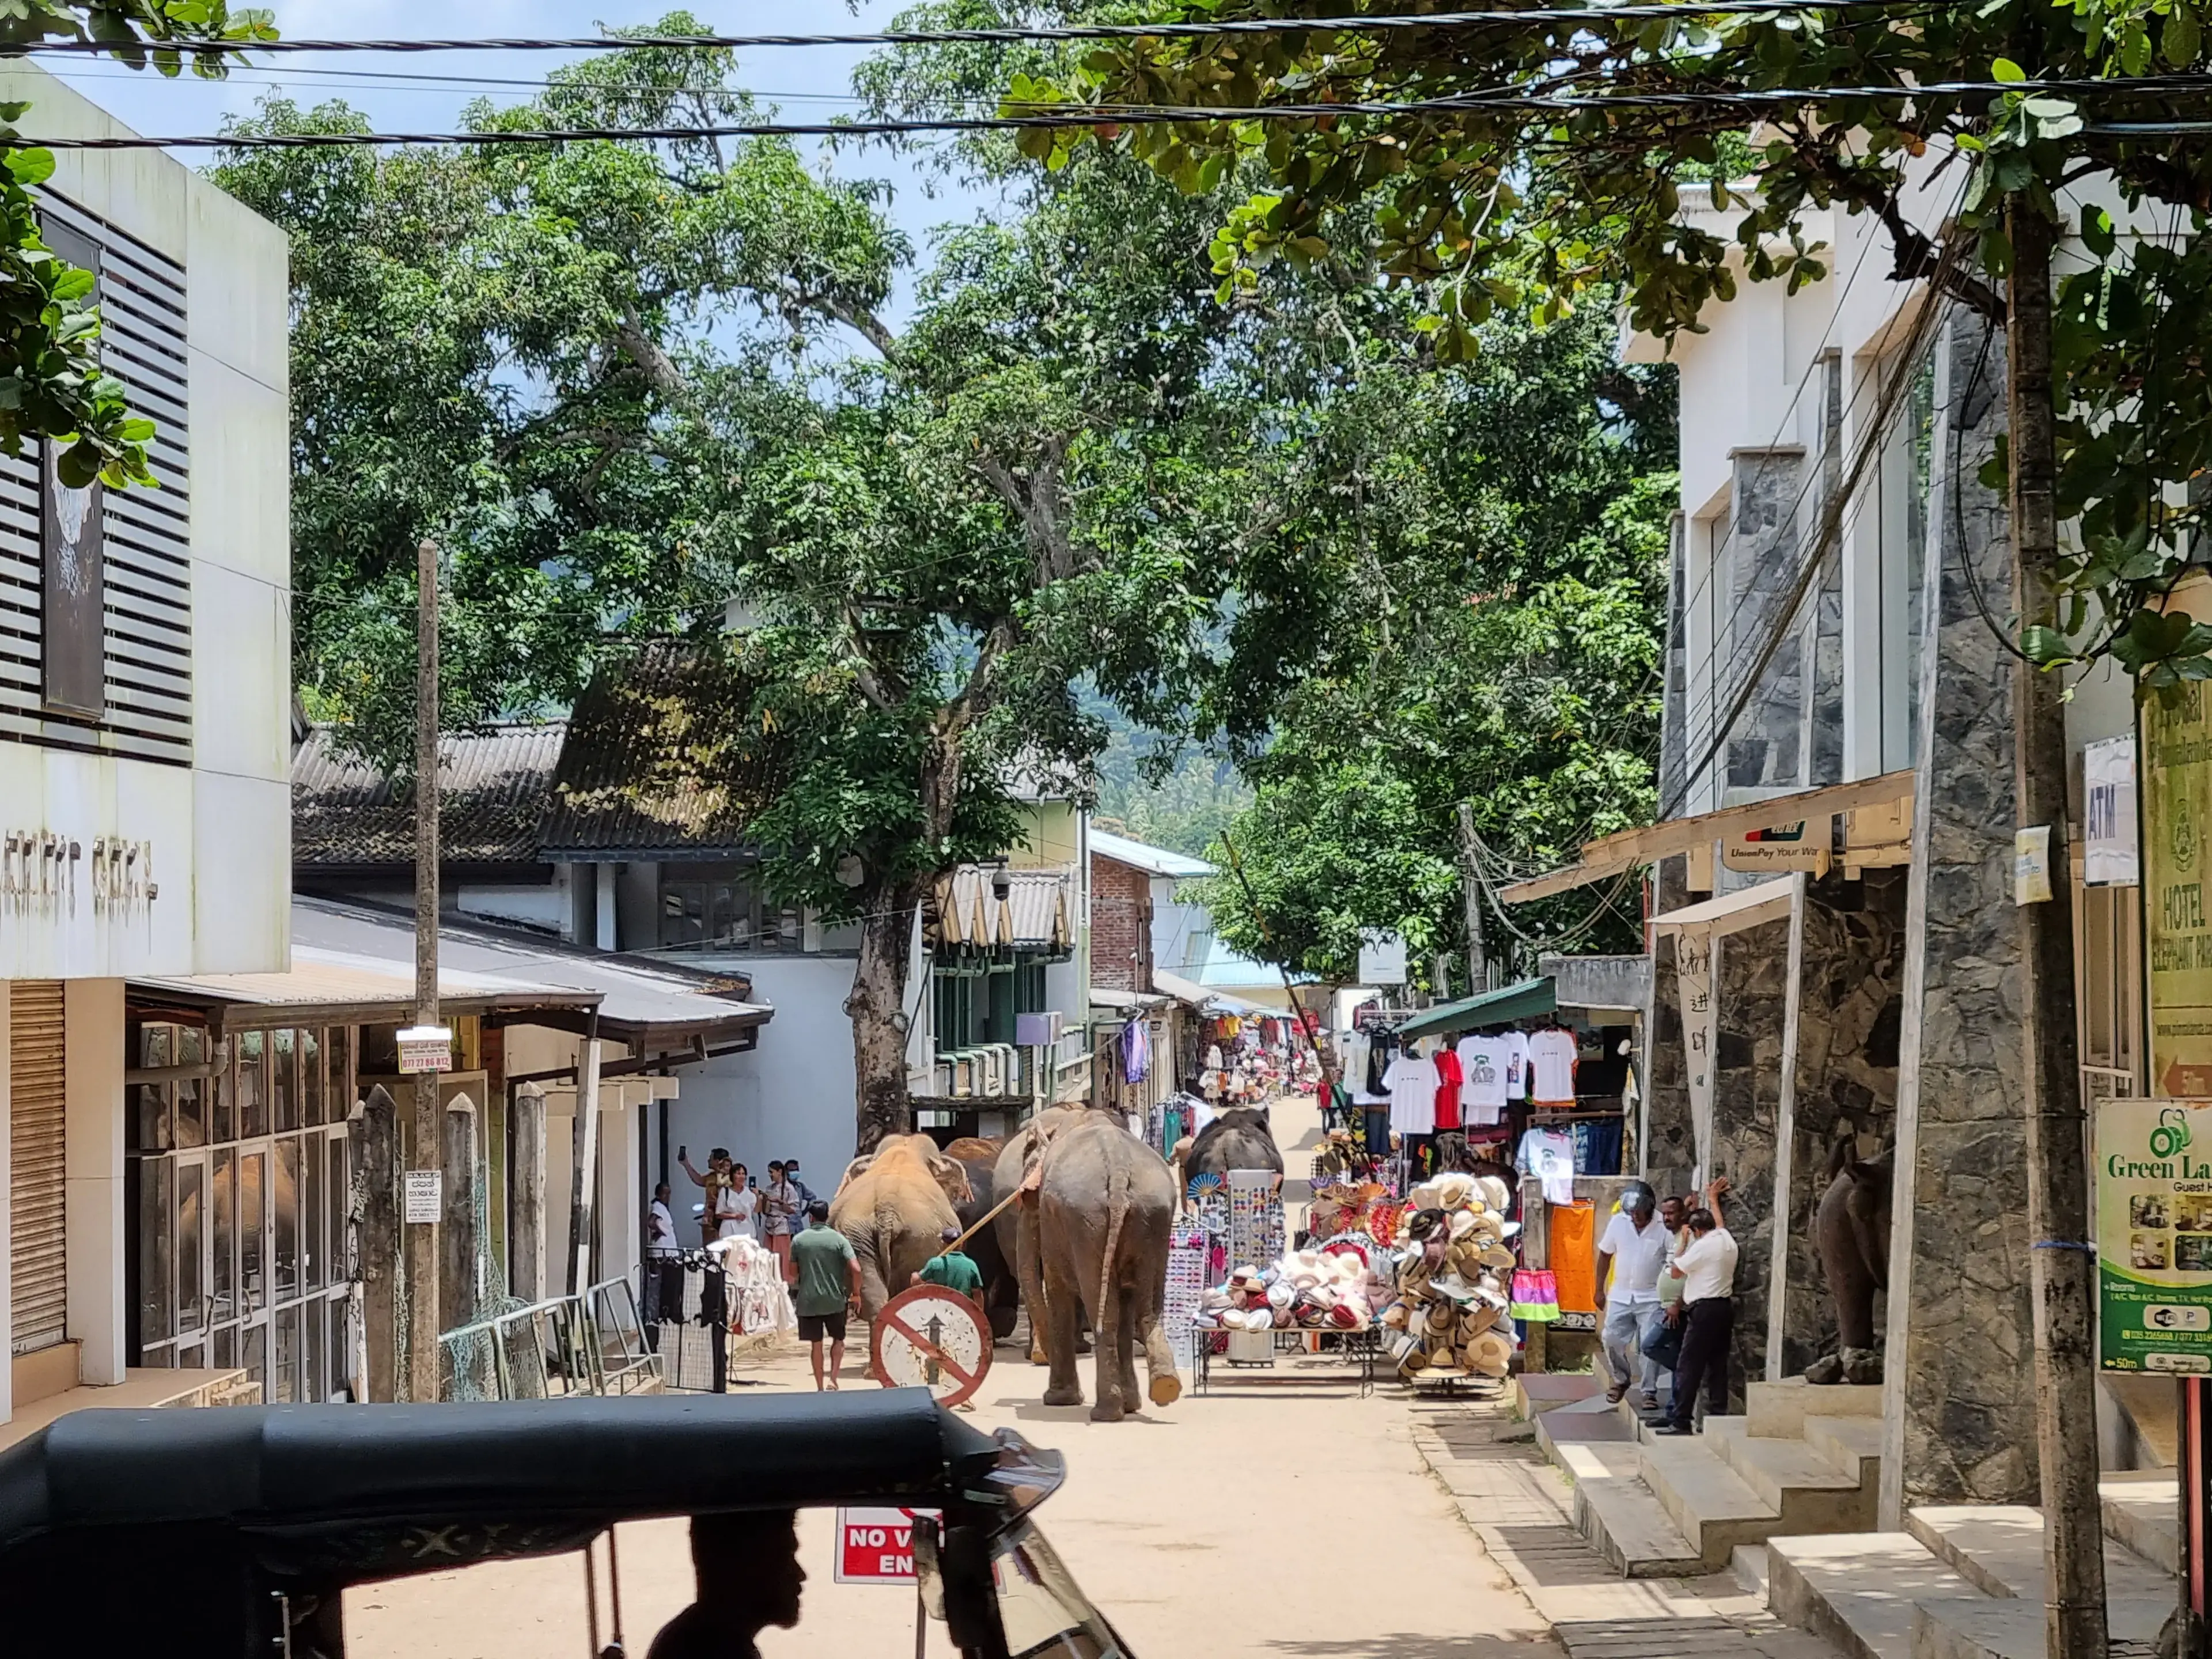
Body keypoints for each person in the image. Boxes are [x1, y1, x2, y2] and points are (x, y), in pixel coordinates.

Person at [646, 1507, 805, 1659]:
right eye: (786, 1557)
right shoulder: (718, 1650)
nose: (801, 1575)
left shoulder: (689, 1640)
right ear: (747, 1564)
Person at [1657, 1179, 1738, 1435]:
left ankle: (1681, 1420)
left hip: (1703, 1311)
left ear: (1695, 1231)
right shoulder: (1725, 1239)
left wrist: (1683, 1241)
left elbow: (1676, 1272)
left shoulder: (1701, 1246)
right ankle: (1717, 1417)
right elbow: (1720, 1223)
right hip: (1724, 1308)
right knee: (1717, 1365)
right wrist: (1713, 1200)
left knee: (1688, 1365)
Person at [1594, 1182, 1671, 1411]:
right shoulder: (1619, 1222)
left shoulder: (1664, 1227)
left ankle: (1649, 1391)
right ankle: (1621, 1379)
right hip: (1621, 1294)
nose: (1635, 1216)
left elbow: (1673, 1261)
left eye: (1639, 1211)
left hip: (1651, 1298)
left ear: (1650, 1206)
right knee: (1611, 1339)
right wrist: (1599, 1289)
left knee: (1649, 1346)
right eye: (1632, 1212)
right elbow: (1605, 1255)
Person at [790, 1199, 860, 1391]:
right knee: (838, 1339)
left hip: (809, 1300)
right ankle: (834, 1380)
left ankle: (820, 1387)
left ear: (810, 1217)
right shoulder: (839, 1240)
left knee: (816, 1345)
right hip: (836, 1300)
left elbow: (793, 1273)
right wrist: (856, 1294)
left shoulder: (798, 1240)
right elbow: (857, 1269)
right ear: (827, 1217)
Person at [644, 1181, 683, 1349]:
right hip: (661, 1253)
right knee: (659, 1285)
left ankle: (663, 1313)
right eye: (665, 1193)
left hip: (667, 1251)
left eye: (669, 1193)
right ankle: (655, 1315)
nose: (668, 1196)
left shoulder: (663, 1208)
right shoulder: (658, 1207)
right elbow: (651, 1222)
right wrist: (659, 1233)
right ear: (659, 1194)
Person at [679, 1145, 740, 1247]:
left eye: (711, 1158)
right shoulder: (711, 1177)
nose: (708, 1160)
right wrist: (686, 1164)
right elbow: (698, 1180)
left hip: (723, 1219)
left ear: (718, 1161)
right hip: (710, 1218)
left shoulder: (730, 1178)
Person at [912, 1224, 986, 1307]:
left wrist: (915, 1275)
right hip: (963, 1312)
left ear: (943, 1243)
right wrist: (978, 1317)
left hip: (940, 1312)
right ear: (961, 1244)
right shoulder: (971, 1265)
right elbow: (978, 1294)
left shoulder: (935, 1263)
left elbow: (916, 1282)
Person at [761, 1160, 799, 1283]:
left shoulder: (789, 1189)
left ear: (780, 1172)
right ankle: (769, 1280)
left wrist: (781, 1203)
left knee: (782, 1257)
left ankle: (784, 1282)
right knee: (769, 1255)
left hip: (781, 1226)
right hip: (769, 1225)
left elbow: (794, 1210)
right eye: (769, 1173)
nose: (770, 1175)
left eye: (772, 1172)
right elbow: (765, 1210)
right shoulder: (769, 1188)